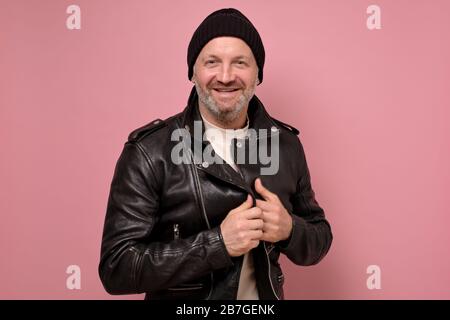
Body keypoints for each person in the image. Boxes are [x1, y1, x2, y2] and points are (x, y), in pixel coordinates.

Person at [99, 8, 332, 300]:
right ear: (193, 72)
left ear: (257, 73)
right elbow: (117, 267)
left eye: (240, 63)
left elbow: (320, 238)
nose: (225, 76)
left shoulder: (285, 145)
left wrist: (289, 228)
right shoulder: (149, 152)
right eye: (212, 62)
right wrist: (218, 244)